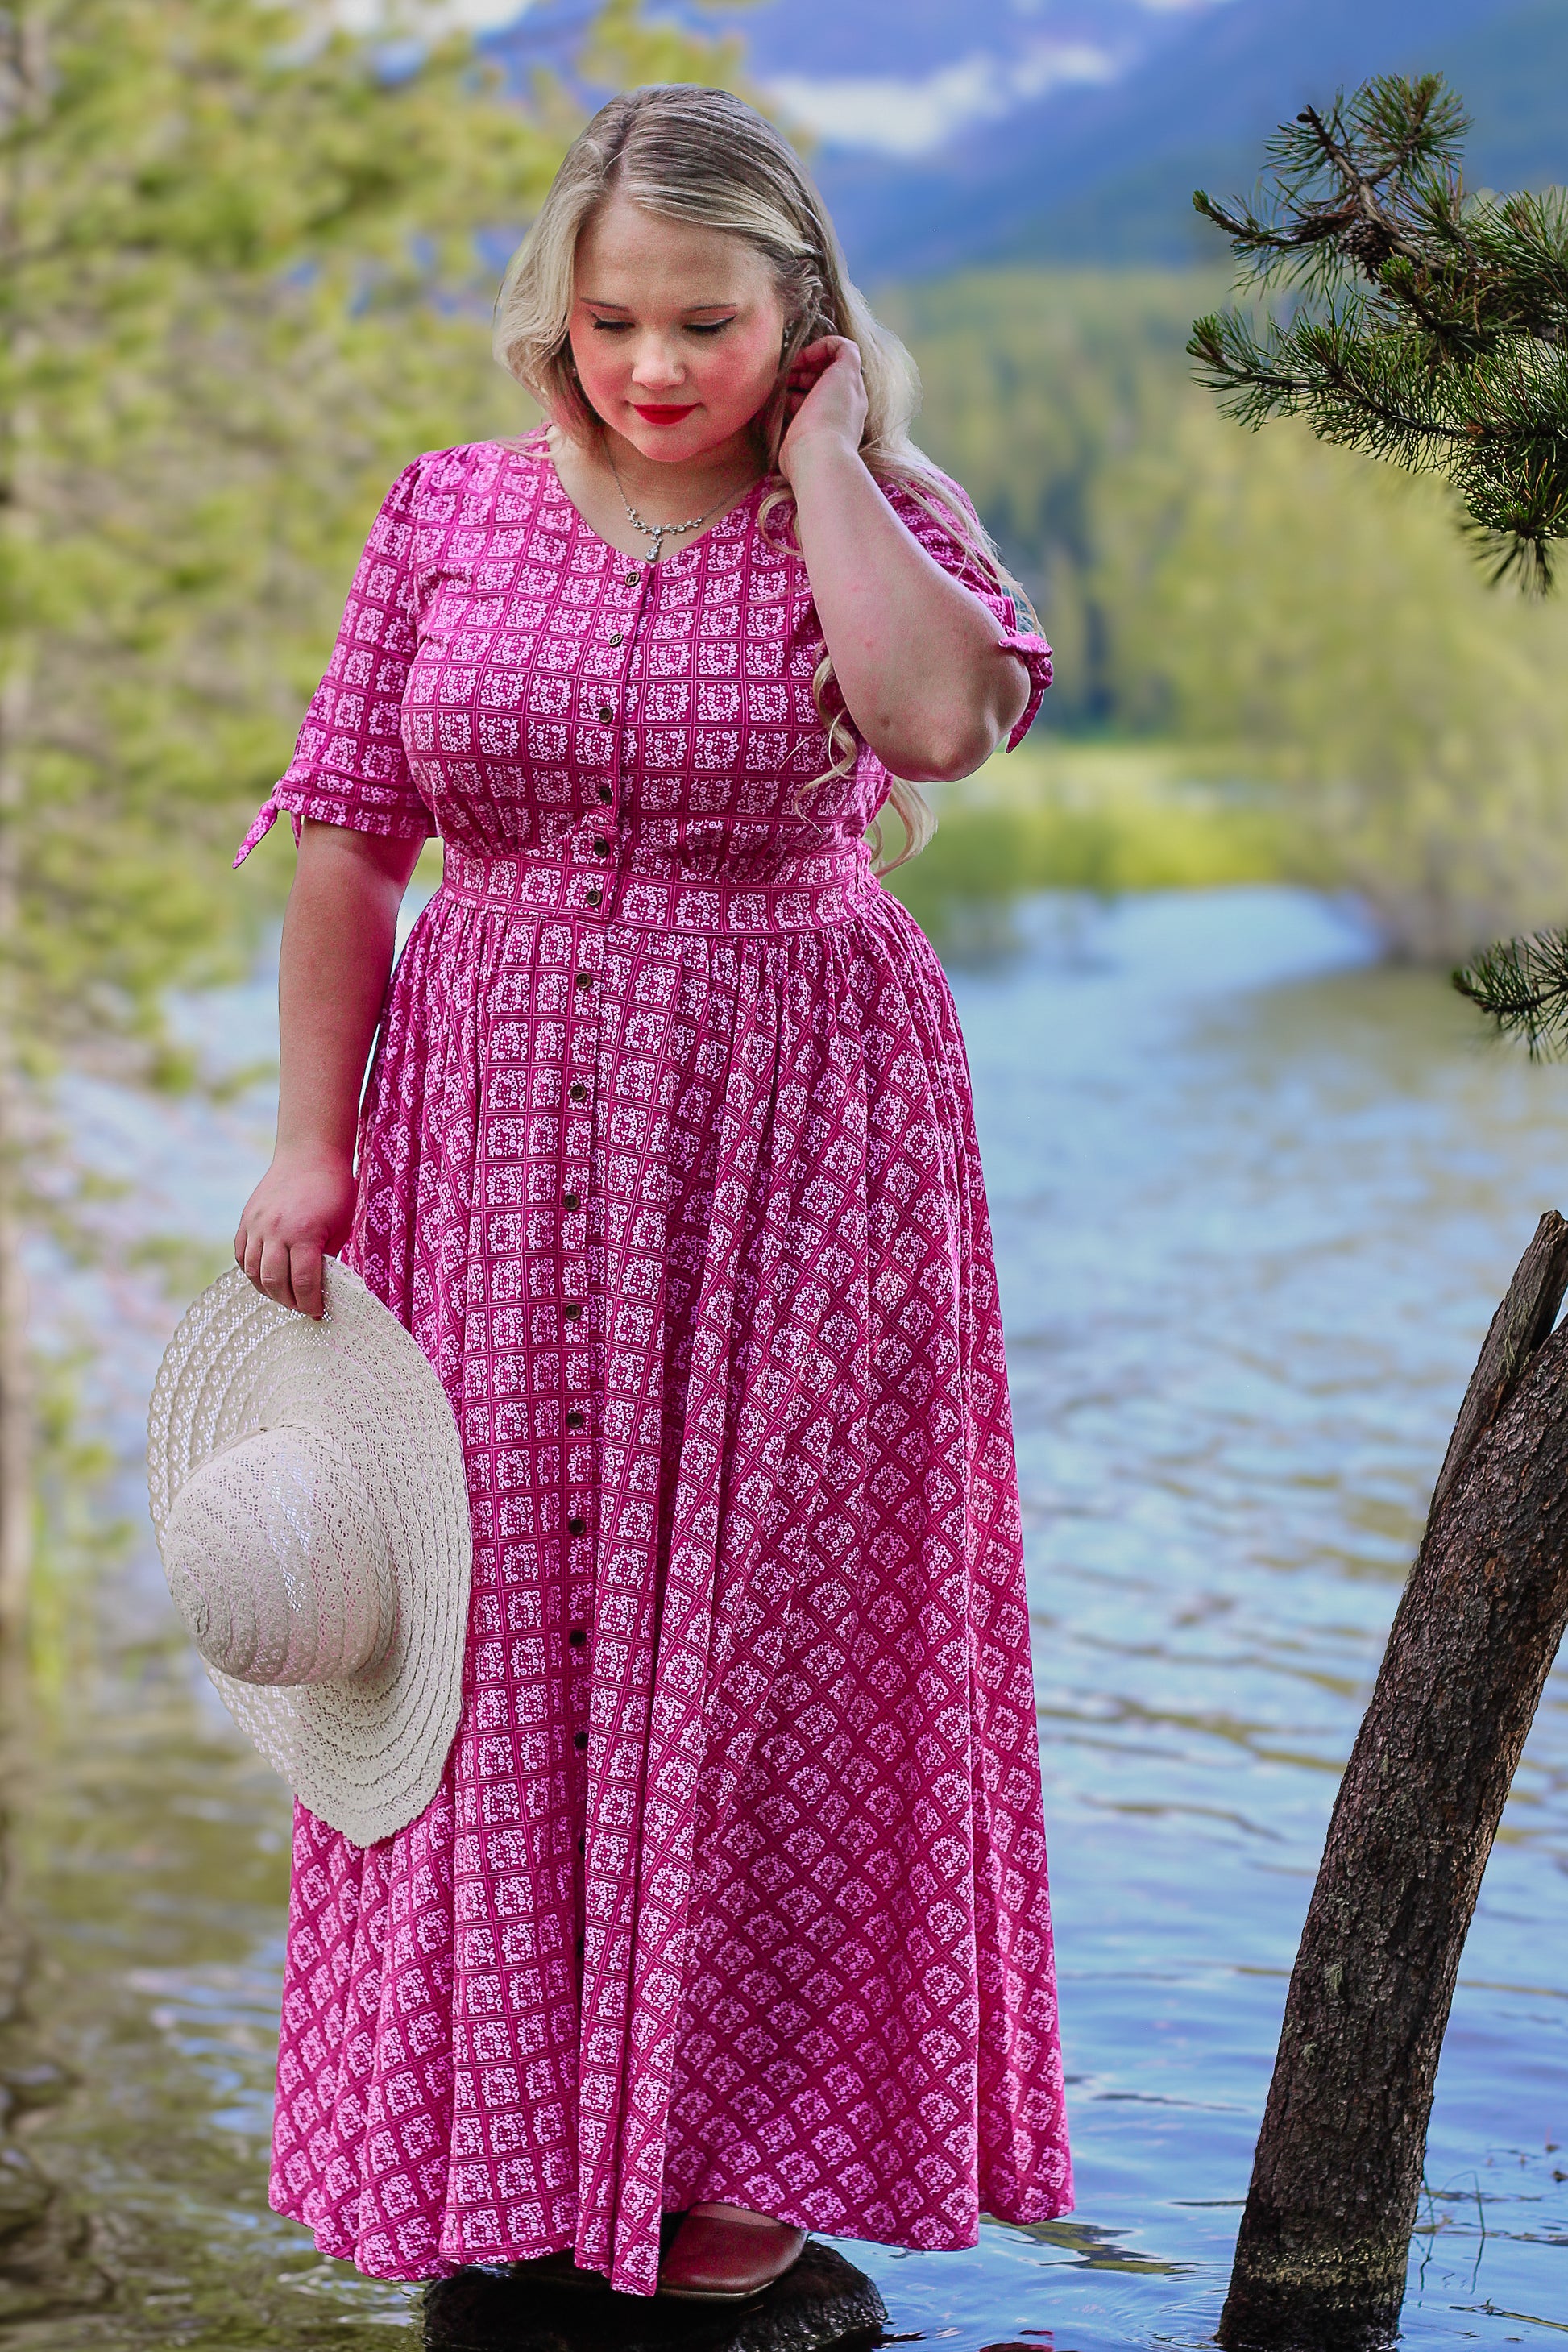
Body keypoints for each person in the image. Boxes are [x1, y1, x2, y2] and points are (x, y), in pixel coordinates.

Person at [233, 83, 1071, 2304]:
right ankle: (498, 2157)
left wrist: (822, 467)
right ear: (558, 316)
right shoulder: (444, 516)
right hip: (481, 1142)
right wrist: (310, 1139)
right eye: (614, 321)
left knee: (775, 1639)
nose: (652, 368)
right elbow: (346, 840)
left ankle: (730, 2169)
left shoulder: (879, 509)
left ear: (798, 318)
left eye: (706, 323)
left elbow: (934, 729)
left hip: (802, 1148)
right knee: (489, 1629)